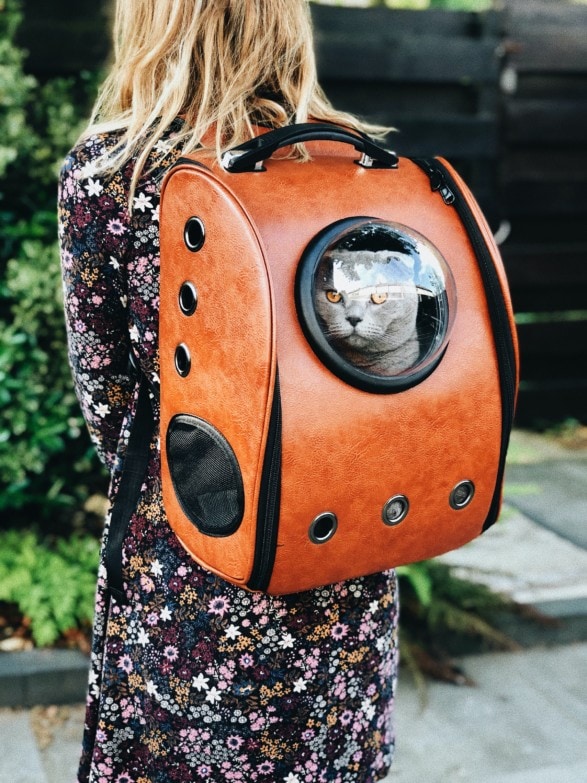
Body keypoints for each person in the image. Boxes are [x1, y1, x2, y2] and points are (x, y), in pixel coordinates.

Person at [58, 2, 399, 781]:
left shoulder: (115, 175)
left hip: (192, 561)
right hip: (340, 545)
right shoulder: (354, 167)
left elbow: (111, 408)